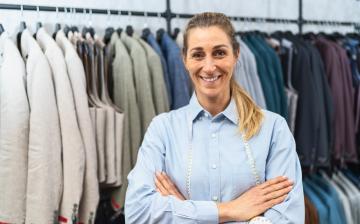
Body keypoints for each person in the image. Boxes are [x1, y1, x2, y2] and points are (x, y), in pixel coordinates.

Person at [125, 12, 304, 223]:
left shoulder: (273, 129)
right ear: (185, 60)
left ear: (236, 55)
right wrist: (231, 210)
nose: (209, 67)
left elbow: (289, 219)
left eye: (219, 53)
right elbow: (137, 213)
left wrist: (184, 212)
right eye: (198, 55)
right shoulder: (162, 130)